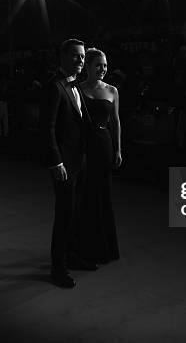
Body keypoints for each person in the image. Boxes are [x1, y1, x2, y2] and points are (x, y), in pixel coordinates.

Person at [39, 38, 98, 289]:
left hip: (80, 160)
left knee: (76, 213)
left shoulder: (77, 86)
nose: (80, 60)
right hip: (63, 164)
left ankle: (72, 256)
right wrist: (56, 162)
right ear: (62, 57)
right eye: (75, 56)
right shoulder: (54, 87)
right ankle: (57, 268)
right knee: (64, 216)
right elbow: (47, 128)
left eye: (83, 56)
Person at [77, 48, 121, 264]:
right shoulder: (77, 89)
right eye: (98, 65)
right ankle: (87, 248)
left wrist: (118, 149)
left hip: (104, 146)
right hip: (85, 147)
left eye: (104, 65)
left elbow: (116, 121)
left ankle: (106, 248)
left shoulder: (112, 90)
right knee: (87, 196)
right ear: (88, 67)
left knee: (104, 195)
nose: (102, 69)